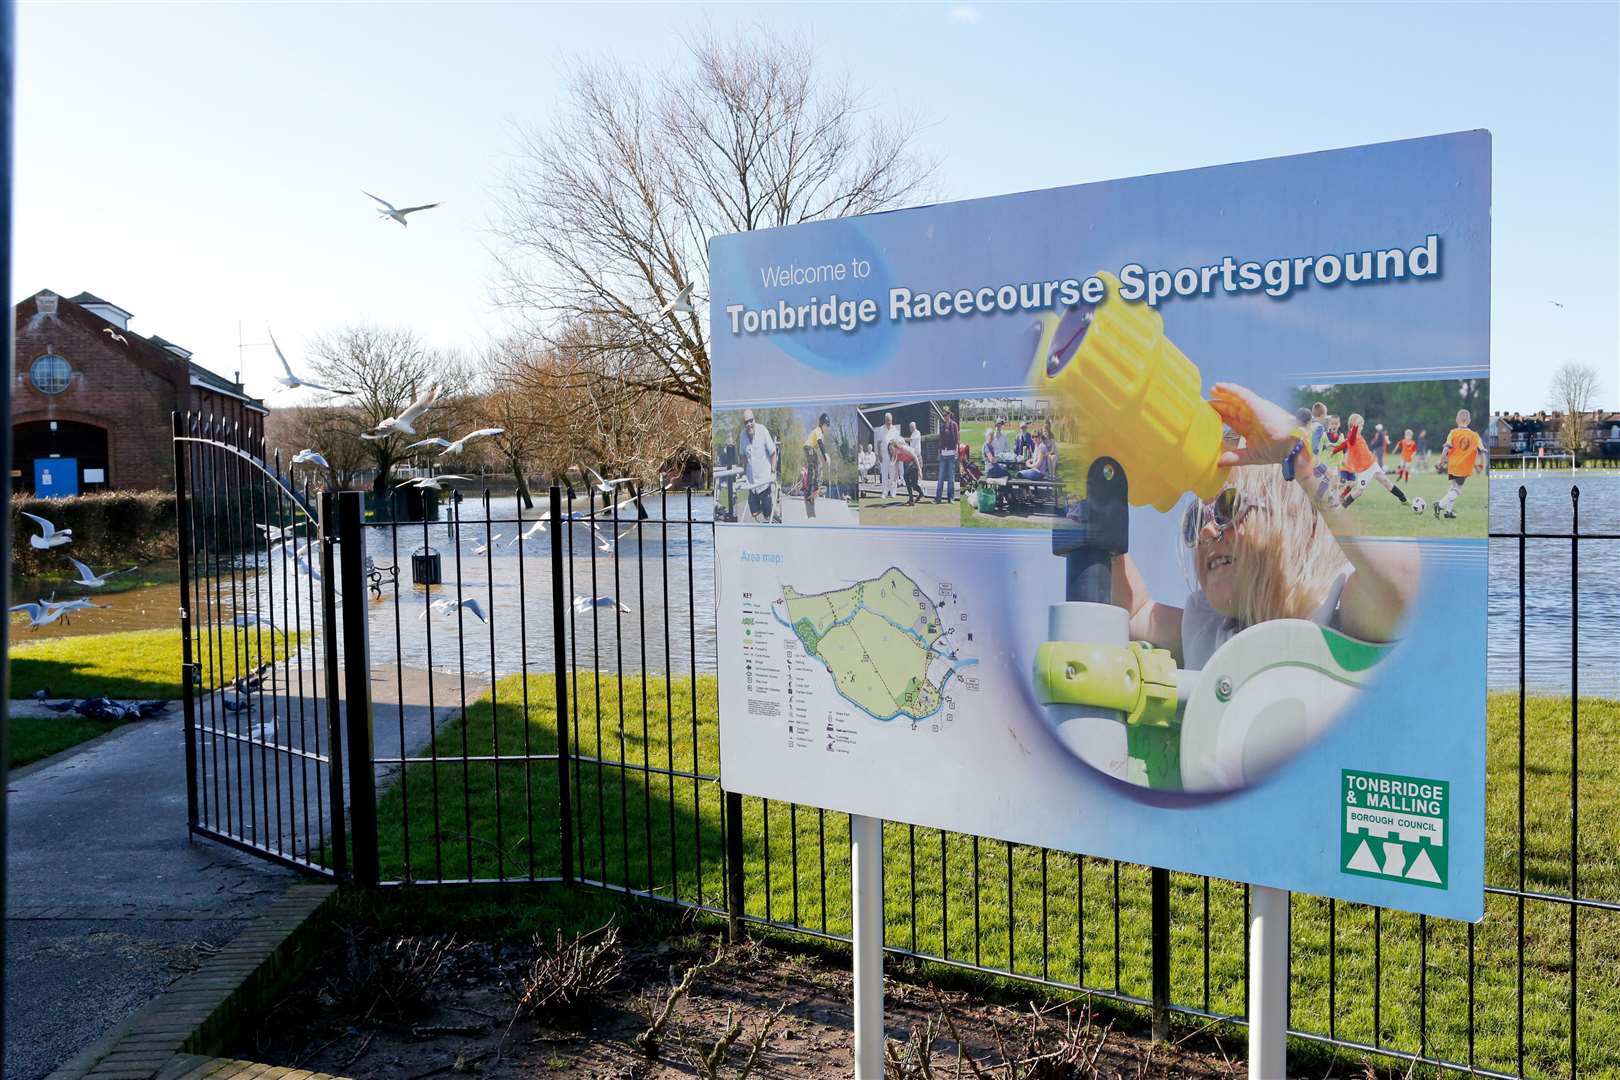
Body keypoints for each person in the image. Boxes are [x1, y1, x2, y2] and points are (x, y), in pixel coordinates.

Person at [1110, 383, 1418, 673]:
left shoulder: (1335, 609)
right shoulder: (1209, 632)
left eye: (1227, 508)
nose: (1205, 532)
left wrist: (1298, 457)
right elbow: (1133, 613)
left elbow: (1399, 576)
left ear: (1292, 517)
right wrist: (1089, 482)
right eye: (1195, 520)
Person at [1338, 412, 1408, 507]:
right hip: (1363, 469)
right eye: (1360, 424)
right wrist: (1355, 426)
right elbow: (1351, 439)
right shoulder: (1351, 436)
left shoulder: (1359, 435)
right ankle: (1341, 507)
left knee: (1386, 481)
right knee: (1359, 491)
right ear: (1354, 425)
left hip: (1372, 464)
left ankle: (1404, 499)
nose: (1362, 427)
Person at [1434, 409, 1482, 520]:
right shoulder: (1473, 435)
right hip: (1463, 467)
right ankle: (1439, 505)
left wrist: (1441, 461)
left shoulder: (1453, 432)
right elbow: (1477, 451)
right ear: (1469, 420)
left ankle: (1448, 512)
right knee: (1458, 490)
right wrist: (1478, 465)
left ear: (1456, 420)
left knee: (1453, 487)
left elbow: (1446, 448)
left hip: (1452, 466)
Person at [738, 409, 778, 523]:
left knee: (767, 516)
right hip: (751, 483)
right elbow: (743, 456)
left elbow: (773, 453)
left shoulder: (763, 430)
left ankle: (772, 522)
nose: (749, 424)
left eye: (751, 421)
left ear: (754, 420)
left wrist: (773, 471)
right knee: (755, 514)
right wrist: (743, 473)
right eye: (746, 422)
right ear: (744, 424)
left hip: (764, 481)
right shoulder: (742, 436)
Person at [802, 412, 832, 519]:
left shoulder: (817, 431)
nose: (827, 428)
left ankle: (808, 491)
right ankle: (816, 487)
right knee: (818, 465)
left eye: (827, 426)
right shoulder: (818, 431)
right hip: (809, 448)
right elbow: (820, 443)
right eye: (826, 426)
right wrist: (826, 456)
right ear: (822, 424)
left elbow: (818, 445)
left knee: (811, 469)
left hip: (807, 448)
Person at [935, 405, 959, 504]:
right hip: (943, 454)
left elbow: (957, 440)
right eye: (943, 415)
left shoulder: (954, 425)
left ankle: (951, 498)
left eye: (946, 414)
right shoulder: (942, 426)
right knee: (940, 478)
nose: (945, 416)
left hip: (951, 454)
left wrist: (957, 451)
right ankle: (938, 498)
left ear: (949, 414)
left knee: (951, 478)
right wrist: (939, 453)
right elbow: (940, 440)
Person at [888, 438, 923, 505]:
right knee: (913, 484)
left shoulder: (903, 449)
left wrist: (920, 470)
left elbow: (915, 457)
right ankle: (919, 494)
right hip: (910, 462)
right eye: (889, 450)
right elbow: (897, 472)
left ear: (895, 447)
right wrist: (894, 481)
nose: (891, 451)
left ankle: (911, 499)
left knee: (906, 476)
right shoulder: (895, 456)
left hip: (917, 459)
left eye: (891, 449)